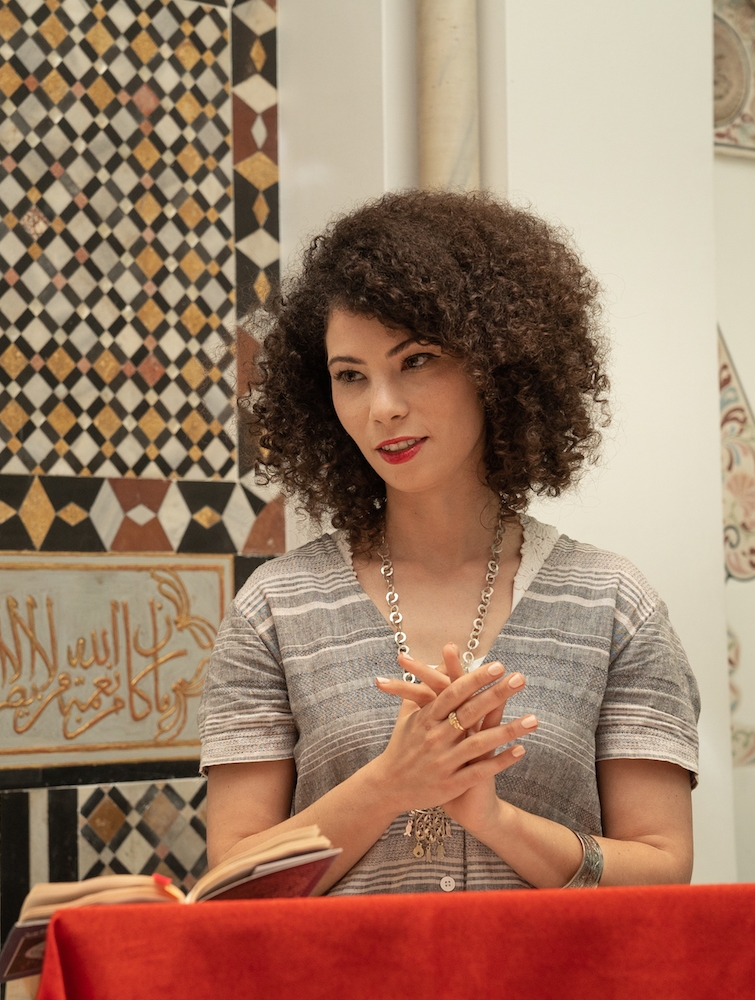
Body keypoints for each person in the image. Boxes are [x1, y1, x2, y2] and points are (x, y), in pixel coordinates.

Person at [197, 191, 700, 895]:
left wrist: (498, 821)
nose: (383, 407)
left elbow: (663, 871)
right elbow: (233, 882)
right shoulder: (274, 611)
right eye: (350, 376)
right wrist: (390, 784)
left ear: (498, 366)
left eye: (418, 360)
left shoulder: (615, 606)